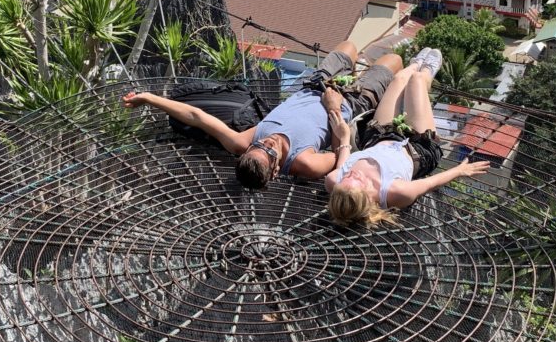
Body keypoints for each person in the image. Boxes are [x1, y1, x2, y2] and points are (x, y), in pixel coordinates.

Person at [122, 41, 404, 189]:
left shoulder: (244, 141)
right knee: (393, 62)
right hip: (349, 101)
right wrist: (333, 108)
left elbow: (196, 116)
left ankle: (357, 65)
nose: (266, 143)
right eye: (268, 152)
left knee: (349, 47)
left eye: (258, 146)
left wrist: (150, 99)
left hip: (312, 85)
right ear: (275, 169)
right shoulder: (304, 162)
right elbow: (340, 154)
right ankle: (367, 74)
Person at [323, 48, 490, 226]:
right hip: (418, 147)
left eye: (346, 178)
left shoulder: (335, 181)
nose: (350, 174)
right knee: (416, 81)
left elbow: (342, 163)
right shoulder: (396, 192)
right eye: (355, 180)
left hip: (380, 137)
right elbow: (430, 183)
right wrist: (460, 171)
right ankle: (427, 71)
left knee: (399, 79)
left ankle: (416, 63)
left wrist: (344, 136)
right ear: (367, 196)